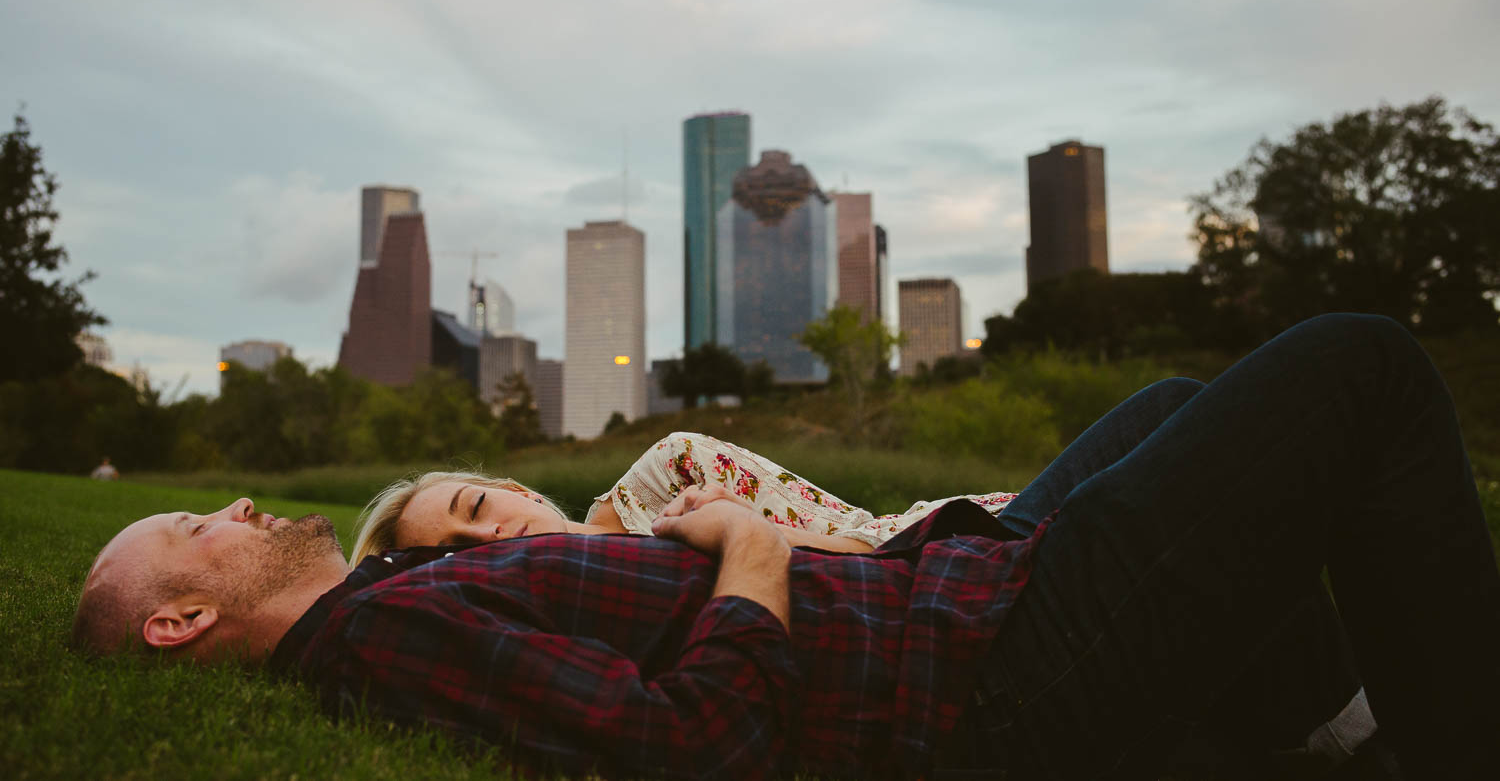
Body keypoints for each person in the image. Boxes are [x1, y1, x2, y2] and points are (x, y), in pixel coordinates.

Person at [71, 315, 1500, 779]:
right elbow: (685, 748)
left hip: (963, 604)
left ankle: (1356, 732)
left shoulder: (392, 602)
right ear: (180, 622)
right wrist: (751, 559)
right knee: (1359, 368)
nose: (239, 509)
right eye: (203, 529)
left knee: (1210, 442)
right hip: (988, 670)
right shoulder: (380, 636)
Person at [350, 378, 1205, 562]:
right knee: (1176, 430)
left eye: (475, 503)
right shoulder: (615, 582)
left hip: (921, 527)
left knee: (1177, 416)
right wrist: (740, 533)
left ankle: (1328, 711)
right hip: (945, 559)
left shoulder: (664, 470)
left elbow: (858, 532)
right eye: (457, 548)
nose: (486, 529)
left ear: (518, 488)